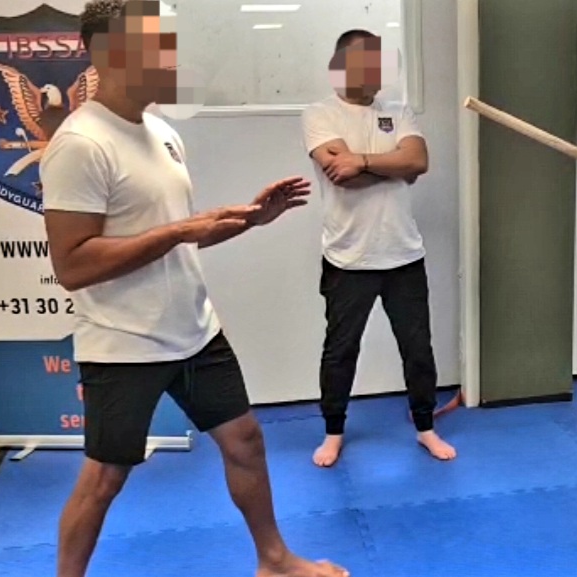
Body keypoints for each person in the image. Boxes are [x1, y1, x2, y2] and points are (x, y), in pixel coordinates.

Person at [40, 2, 349, 576]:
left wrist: (249, 219)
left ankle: (275, 560)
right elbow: (73, 264)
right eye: (154, 45)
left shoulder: (162, 133)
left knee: (245, 440)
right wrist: (181, 230)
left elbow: (173, 237)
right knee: (105, 477)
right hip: (125, 342)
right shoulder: (80, 144)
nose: (170, 57)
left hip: (194, 330)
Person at [299, 29, 456, 467]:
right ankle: (333, 432)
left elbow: (418, 161)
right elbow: (341, 175)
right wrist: (394, 166)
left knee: (417, 348)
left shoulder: (398, 111)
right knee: (341, 350)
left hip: (404, 254)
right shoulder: (319, 115)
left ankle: (425, 427)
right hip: (348, 257)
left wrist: (364, 161)